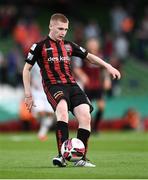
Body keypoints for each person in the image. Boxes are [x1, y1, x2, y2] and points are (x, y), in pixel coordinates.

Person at [23, 13, 121, 168]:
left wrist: (108, 66)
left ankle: (81, 158)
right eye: (60, 28)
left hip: (72, 86)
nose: (63, 32)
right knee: (62, 110)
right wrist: (28, 94)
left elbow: (89, 57)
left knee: (85, 116)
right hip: (53, 86)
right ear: (51, 26)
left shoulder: (68, 45)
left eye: (66, 29)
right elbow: (26, 69)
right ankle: (62, 156)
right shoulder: (39, 46)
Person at [31, 63, 55, 141]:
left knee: (50, 113)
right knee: (40, 113)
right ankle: (41, 126)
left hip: (48, 90)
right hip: (37, 91)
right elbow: (27, 73)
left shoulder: (51, 61)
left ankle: (42, 133)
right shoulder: (33, 63)